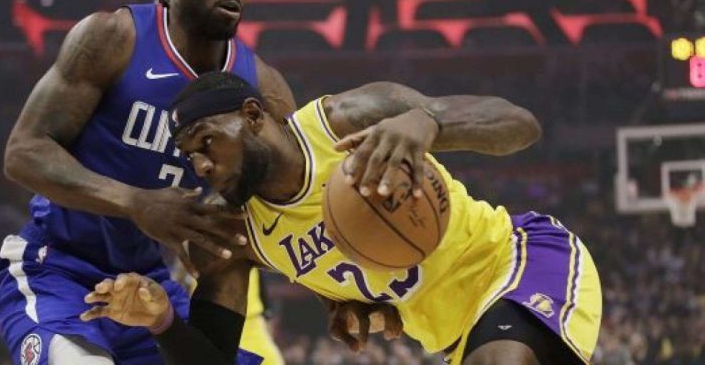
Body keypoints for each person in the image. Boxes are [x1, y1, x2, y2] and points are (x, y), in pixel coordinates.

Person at [83, 72, 603, 365]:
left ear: (252, 115)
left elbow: (522, 126)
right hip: (453, 339)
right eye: (188, 155)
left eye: (206, 142)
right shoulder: (229, 232)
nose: (200, 164)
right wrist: (162, 322)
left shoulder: (348, 120)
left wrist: (430, 121)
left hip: (519, 261)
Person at [0, 0, 301, 363]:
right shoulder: (113, 37)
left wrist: (344, 294)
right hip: (55, 269)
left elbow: (299, 205)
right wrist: (135, 202)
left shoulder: (263, 91)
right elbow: (23, 152)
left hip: (148, 287)